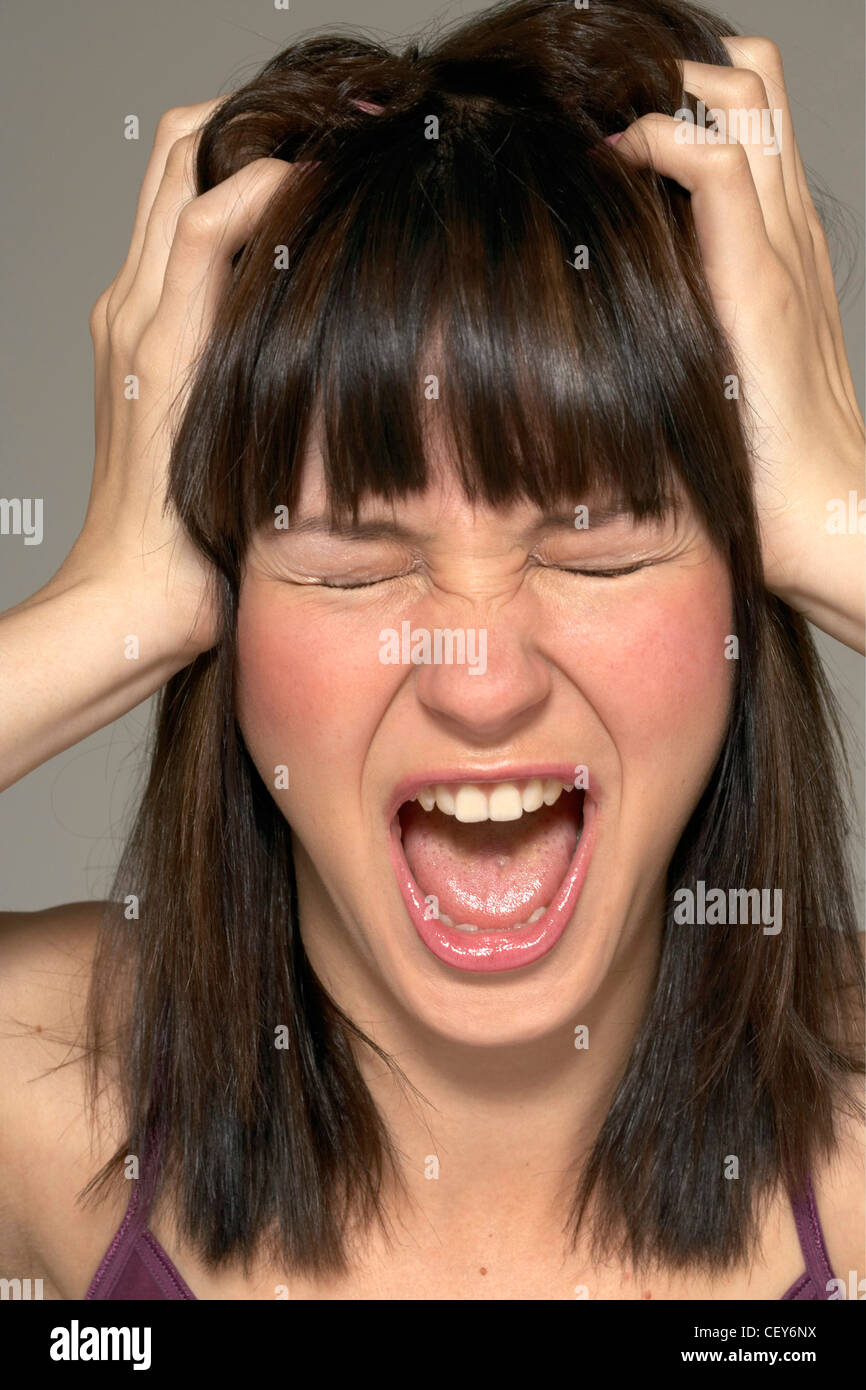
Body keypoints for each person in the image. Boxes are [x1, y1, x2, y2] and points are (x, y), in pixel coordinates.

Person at [1, 0, 863, 1301]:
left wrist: (835, 523)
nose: (480, 681)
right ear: (224, 610)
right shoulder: (45, 1087)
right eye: (350, 560)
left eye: (597, 549)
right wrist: (109, 606)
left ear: (747, 596)